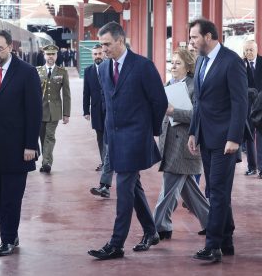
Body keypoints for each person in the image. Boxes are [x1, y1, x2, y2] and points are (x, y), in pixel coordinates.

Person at [87, 21, 167, 260]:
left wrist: (148, 131)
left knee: (123, 190)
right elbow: (107, 103)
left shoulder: (143, 66)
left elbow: (159, 102)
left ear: (121, 41)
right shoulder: (102, 69)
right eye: (101, 45)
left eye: (107, 44)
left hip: (135, 138)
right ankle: (151, 231)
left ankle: (116, 244)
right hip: (115, 139)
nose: (103, 50)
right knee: (134, 188)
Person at [0, 29, 42, 256]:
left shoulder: (27, 72)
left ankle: (7, 240)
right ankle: (10, 234)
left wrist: (31, 145)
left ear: (11, 47)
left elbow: (34, 111)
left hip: (18, 148)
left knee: (11, 198)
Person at [188, 18, 248, 262]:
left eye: (194, 37)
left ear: (209, 36)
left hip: (225, 140)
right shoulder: (202, 60)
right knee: (216, 190)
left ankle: (213, 246)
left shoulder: (231, 61)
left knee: (218, 192)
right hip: (206, 136)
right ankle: (227, 239)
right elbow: (198, 102)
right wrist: (193, 131)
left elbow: (240, 101)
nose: (191, 42)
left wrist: (235, 137)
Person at [152, 49, 209, 240]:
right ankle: (215, 223)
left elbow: (198, 116)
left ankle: (157, 227)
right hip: (169, 143)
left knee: (168, 190)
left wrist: (173, 111)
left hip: (185, 145)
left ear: (188, 66)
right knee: (190, 191)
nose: (173, 66)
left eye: (178, 63)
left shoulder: (195, 86)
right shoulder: (169, 84)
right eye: (172, 62)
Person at [36, 44, 70, 173]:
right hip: (40, 111)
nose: (50, 57)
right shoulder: (36, 71)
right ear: (44, 55)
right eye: (48, 54)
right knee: (42, 137)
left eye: (53, 54)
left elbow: (66, 95)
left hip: (54, 111)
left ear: (56, 56)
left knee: (50, 136)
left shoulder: (62, 72)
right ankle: (46, 159)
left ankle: (46, 163)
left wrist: (66, 113)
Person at [83, 44, 106, 172]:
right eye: (95, 54)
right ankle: (104, 162)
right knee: (100, 137)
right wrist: (86, 110)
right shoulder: (88, 71)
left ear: (103, 54)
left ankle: (111, 162)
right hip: (96, 110)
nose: (98, 56)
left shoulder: (110, 68)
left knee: (111, 137)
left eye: (100, 53)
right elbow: (86, 92)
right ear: (92, 56)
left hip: (110, 110)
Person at [243, 40, 261, 176]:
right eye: (246, 50)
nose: (248, 52)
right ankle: (252, 167)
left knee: (260, 136)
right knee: (249, 136)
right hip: (247, 104)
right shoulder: (240, 64)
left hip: (261, 104)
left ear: (256, 50)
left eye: (251, 50)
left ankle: (261, 168)